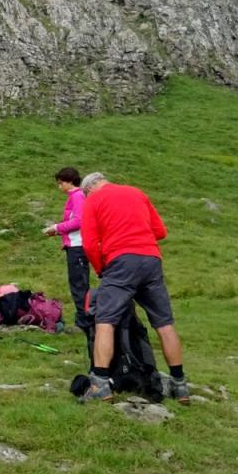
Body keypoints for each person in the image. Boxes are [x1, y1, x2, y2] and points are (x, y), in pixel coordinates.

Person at [79, 172, 189, 403]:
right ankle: (180, 385)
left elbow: (89, 244)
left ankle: (100, 384)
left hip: (120, 262)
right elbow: (160, 231)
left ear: (89, 190)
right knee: (164, 323)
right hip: (151, 260)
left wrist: (101, 268)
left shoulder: (93, 201)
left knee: (105, 321)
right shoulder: (136, 192)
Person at [44, 166, 92, 358]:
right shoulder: (76, 196)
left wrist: (56, 227)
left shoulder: (77, 196)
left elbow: (79, 221)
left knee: (80, 285)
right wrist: (62, 236)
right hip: (74, 245)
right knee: (77, 284)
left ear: (67, 181)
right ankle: (85, 321)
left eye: (60, 183)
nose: (59, 187)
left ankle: (84, 324)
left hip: (79, 247)